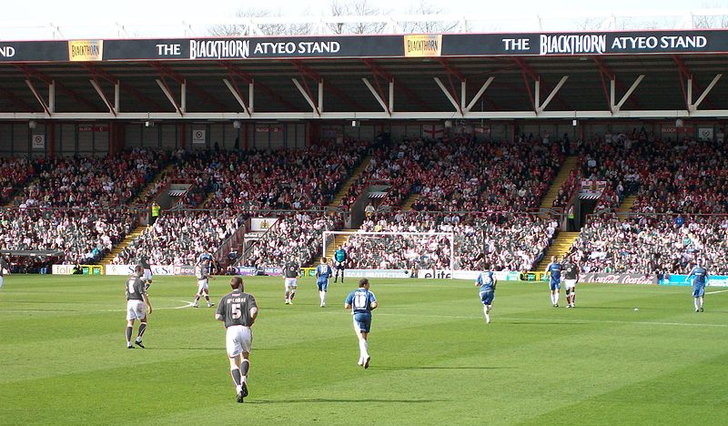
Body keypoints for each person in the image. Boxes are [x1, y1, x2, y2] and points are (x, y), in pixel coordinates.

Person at [215, 277, 258, 403]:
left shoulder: (225, 298)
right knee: (245, 357)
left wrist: (228, 320)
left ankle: (239, 389)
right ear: (241, 284)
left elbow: (217, 316)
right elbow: (254, 311)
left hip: (231, 330)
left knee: (233, 363)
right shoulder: (248, 296)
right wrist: (251, 319)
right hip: (245, 328)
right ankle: (244, 378)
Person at [344, 278, 378, 369]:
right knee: (364, 338)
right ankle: (361, 359)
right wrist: (369, 308)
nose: (369, 285)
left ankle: (365, 355)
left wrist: (353, 308)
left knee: (361, 338)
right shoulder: (369, 293)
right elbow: (374, 304)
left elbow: (346, 306)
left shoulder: (352, 293)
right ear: (364, 285)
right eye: (368, 284)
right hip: (367, 315)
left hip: (357, 316)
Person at [125, 265, 152, 349]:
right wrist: (149, 306)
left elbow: (126, 293)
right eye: (142, 271)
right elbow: (143, 294)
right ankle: (138, 338)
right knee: (144, 321)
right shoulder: (140, 281)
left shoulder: (128, 280)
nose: (143, 272)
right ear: (139, 270)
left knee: (130, 323)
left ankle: (128, 343)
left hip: (130, 302)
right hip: (138, 302)